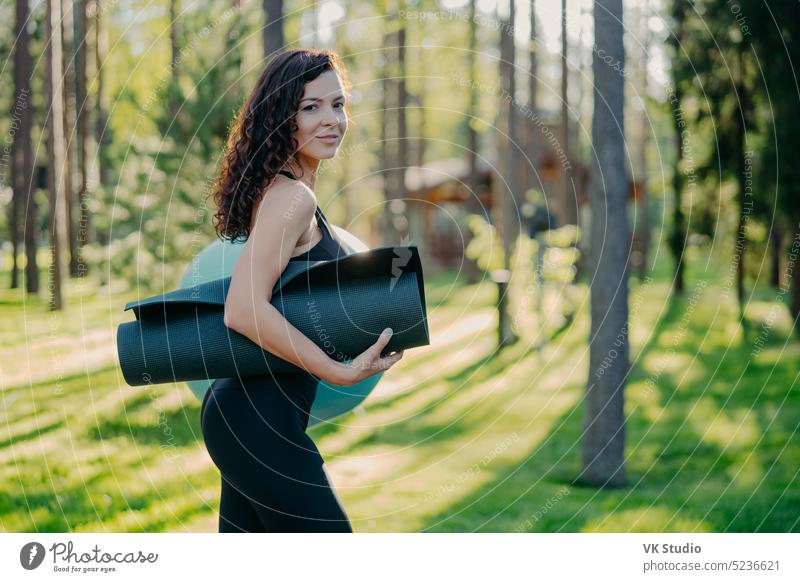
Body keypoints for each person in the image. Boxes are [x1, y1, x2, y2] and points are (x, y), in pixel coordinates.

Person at [202, 48, 404, 533]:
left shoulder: (288, 191)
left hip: (247, 414)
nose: (331, 119)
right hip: (257, 419)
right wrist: (336, 370)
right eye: (310, 107)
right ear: (281, 116)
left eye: (338, 104)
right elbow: (244, 309)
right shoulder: (292, 196)